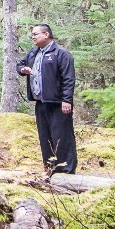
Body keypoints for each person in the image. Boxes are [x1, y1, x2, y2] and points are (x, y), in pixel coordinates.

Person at [17, 23, 77, 174]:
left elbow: (68, 79)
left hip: (58, 103)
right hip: (41, 102)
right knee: (45, 136)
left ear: (46, 34)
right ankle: (50, 167)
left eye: (36, 34)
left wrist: (67, 100)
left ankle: (66, 168)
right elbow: (20, 64)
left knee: (62, 135)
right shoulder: (34, 53)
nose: (33, 37)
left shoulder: (61, 53)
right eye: (32, 34)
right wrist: (22, 70)